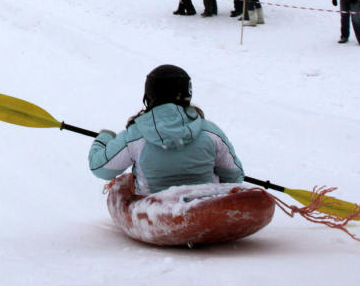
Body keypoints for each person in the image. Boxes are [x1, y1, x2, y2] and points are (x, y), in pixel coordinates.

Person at [88, 64, 244, 195]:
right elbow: (234, 176)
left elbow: (100, 169)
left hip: (155, 211)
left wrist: (104, 138)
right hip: (207, 207)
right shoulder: (211, 132)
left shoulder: (135, 135)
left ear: (149, 96)